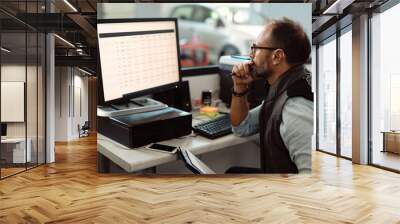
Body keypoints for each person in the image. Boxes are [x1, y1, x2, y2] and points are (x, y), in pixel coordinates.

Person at [228, 18, 313, 174]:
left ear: (277, 56)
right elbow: (242, 127)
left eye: (255, 48)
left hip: (287, 194)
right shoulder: (283, 88)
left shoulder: (295, 108)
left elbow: (312, 180)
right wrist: (240, 87)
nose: (250, 55)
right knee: (233, 173)